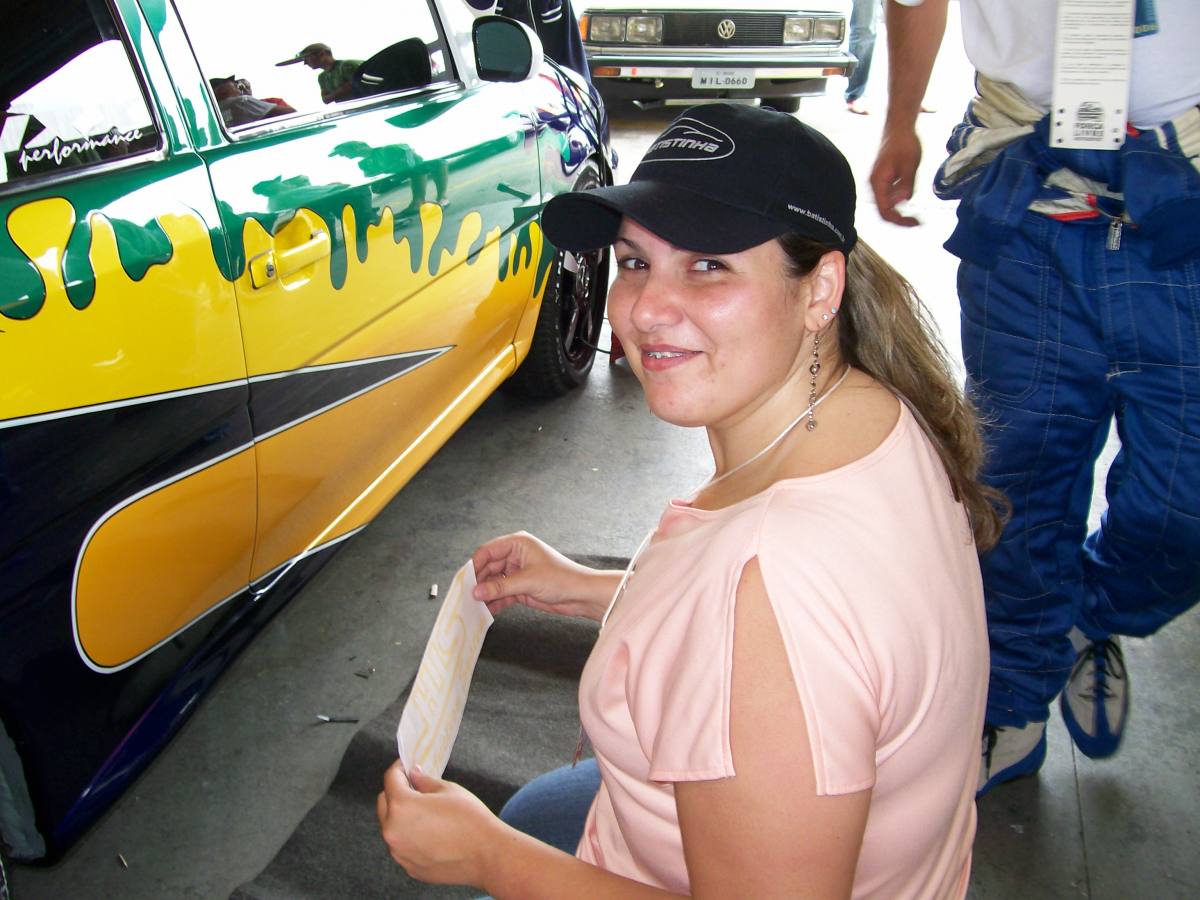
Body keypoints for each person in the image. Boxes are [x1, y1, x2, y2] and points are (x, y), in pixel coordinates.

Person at [376, 102, 1007, 897]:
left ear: (821, 290)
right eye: (636, 261)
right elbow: (823, 654)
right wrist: (600, 588)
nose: (644, 310)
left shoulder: (763, 594)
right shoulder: (875, 413)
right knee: (546, 805)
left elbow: (763, 637)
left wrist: (492, 860)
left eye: (710, 265)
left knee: (520, 828)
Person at [869, 0, 1200, 796]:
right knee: (1015, 482)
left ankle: (1095, 614)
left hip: (1186, 196)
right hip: (1028, 195)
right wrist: (901, 118)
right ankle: (1013, 702)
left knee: (1184, 511)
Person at [276, 42, 363, 104]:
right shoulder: (322, 77)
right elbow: (325, 100)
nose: (305, 63)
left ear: (322, 54)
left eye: (307, 58)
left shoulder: (347, 65)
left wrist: (348, 87)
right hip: (350, 110)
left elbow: (360, 84)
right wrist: (345, 87)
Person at [208, 76, 293, 127]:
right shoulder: (240, 102)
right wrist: (247, 97)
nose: (237, 85)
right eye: (230, 83)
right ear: (220, 90)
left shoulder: (213, 111)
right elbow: (291, 113)